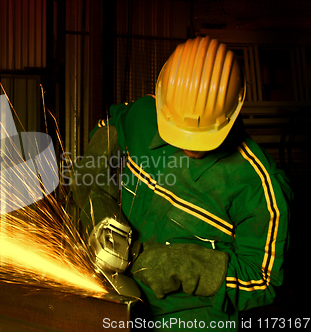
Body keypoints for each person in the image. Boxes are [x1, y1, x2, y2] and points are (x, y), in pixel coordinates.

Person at [69, 36, 291, 331]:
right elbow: (112, 126)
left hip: (191, 321)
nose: (190, 146)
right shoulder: (144, 116)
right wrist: (97, 197)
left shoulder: (259, 187)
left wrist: (183, 265)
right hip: (116, 300)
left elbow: (264, 281)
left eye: (203, 137)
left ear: (235, 108)